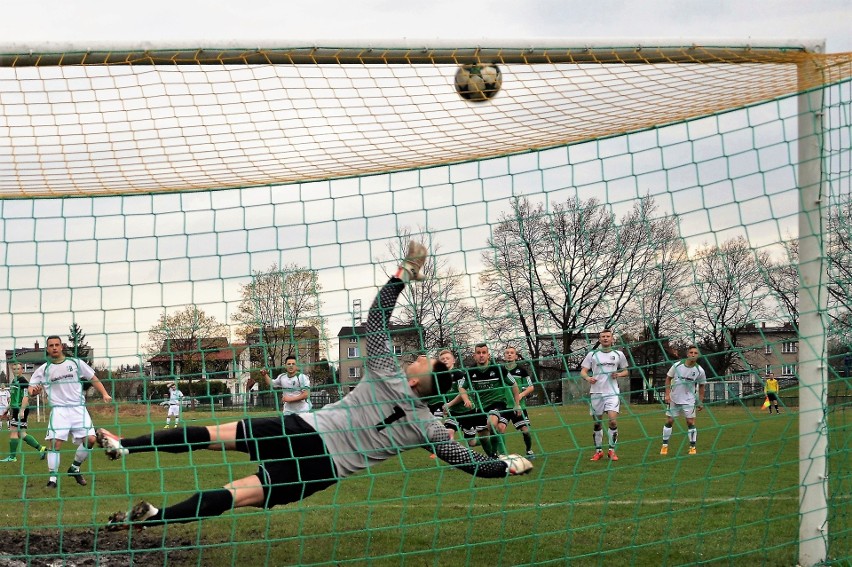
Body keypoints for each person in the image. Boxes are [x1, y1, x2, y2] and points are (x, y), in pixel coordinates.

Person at [98, 242, 532, 529]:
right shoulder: (431, 428)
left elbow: (376, 320)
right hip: (324, 471)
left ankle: (127, 446)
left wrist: (402, 274)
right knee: (236, 495)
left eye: (425, 359)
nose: (418, 355)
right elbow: (472, 464)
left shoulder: (386, 373)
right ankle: (154, 519)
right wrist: (510, 464)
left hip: (306, 430)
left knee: (212, 436)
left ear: (419, 380)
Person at [28, 335, 113, 488]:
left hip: (78, 409)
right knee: (55, 444)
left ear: (62, 347)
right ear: (47, 349)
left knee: (91, 439)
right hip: (59, 411)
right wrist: (33, 392)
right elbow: (31, 389)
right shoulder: (43, 369)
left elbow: (93, 377)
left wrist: (105, 393)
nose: (54, 347)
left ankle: (75, 467)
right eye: (51, 345)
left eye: (57, 345)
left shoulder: (75, 363)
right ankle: (52, 479)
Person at [457, 343, 522, 458]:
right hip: (480, 407)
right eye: (478, 353)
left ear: (488, 355)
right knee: (483, 436)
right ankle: (493, 458)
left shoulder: (498, 369)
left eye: (484, 353)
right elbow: (461, 386)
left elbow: (514, 383)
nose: (481, 355)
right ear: (474, 356)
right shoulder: (470, 371)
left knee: (492, 423)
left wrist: (517, 404)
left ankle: (497, 453)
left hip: (498, 403)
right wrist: (466, 399)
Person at [581, 329, 629, 462]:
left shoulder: (618, 354)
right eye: (603, 336)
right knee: (597, 423)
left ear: (612, 338)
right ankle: (598, 451)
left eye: (608, 336)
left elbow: (626, 371)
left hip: (612, 392)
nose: (606, 338)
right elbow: (583, 371)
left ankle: (612, 450)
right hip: (596, 392)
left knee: (612, 420)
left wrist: (618, 374)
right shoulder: (592, 354)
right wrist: (588, 378)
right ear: (599, 339)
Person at [660, 346, 707, 456]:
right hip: (674, 398)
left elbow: (701, 386)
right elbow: (668, 378)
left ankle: (692, 447)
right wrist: (667, 394)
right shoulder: (677, 365)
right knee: (670, 421)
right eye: (691, 352)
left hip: (689, 400)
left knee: (690, 422)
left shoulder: (700, 370)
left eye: (696, 353)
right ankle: (664, 446)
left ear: (698, 355)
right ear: (687, 354)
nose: (693, 354)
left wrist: (700, 401)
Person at [1, 363, 47, 462]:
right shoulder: (14, 381)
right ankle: (41, 448)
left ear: (22, 370)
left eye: (18, 369)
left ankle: (12, 457)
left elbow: (26, 397)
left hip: (20, 409)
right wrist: (7, 409)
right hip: (16, 408)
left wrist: (22, 410)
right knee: (22, 433)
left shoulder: (23, 382)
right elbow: (13, 398)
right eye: (14, 369)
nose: (16, 371)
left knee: (13, 431)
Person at [503, 346, 537, 459]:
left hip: (518, 406)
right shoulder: (500, 370)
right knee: (499, 429)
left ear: (516, 356)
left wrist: (521, 395)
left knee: (526, 431)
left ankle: (529, 450)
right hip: (503, 406)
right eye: (507, 353)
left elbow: (531, 387)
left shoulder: (521, 370)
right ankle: (500, 454)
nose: (509, 354)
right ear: (504, 356)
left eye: (512, 353)